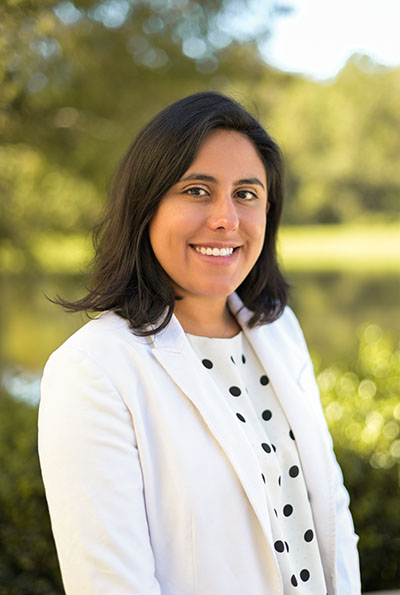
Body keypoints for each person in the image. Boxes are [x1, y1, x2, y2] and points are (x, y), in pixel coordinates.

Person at [38, 91, 361, 594]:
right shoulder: (91, 369)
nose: (226, 219)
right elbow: (110, 582)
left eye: (246, 194)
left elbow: (331, 513)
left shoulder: (279, 329)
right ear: (147, 206)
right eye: (196, 190)